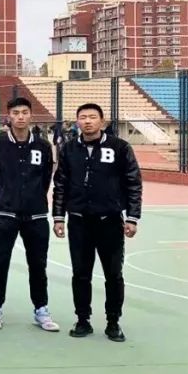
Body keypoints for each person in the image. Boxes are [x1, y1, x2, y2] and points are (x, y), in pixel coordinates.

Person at [53, 103, 142, 342]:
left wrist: (132, 217)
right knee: (81, 274)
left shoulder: (120, 147)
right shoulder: (69, 148)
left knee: (113, 274)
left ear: (102, 121)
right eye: (83, 117)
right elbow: (60, 183)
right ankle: (83, 320)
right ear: (77, 122)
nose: (87, 121)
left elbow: (133, 182)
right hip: (79, 222)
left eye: (92, 117)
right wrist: (59, 216)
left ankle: (113, 322)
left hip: (109, 222)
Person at [0, 97, 59, 333]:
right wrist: (4, 196)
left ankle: (41, 309)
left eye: (25, 112)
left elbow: (46, 178)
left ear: (31, 115)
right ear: (9, 116)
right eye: (16, 113)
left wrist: (33, 198)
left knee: (38, 264)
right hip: (5, 214)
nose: (20, 117)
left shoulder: (43, 146)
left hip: (36, 216)